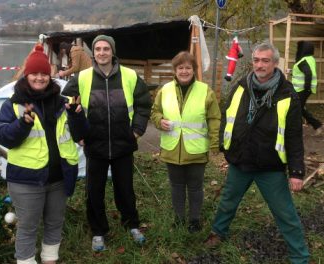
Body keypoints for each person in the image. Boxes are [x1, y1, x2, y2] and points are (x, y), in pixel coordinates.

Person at [205, 43, 310, 264]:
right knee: (228, 202)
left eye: (265, 60)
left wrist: (297, 171)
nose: (260, 65)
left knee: (285, 214)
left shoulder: (287, 94)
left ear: (275, 63)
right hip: (241, 160)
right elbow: (227, 115)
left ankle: (300, 256)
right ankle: (218, 233)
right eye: (256, 60)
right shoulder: (241, 86)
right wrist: (226, 147)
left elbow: (293, 136)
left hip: (269, 166)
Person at [0, 44, 86, 264]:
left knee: (55, 222)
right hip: (26, 180)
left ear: (50, 75)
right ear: (27, 76)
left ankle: (49, 259)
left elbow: (81, 136)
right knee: (28, 227)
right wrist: (23, 124)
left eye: (44, 74)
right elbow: (3, 136)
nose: (39, 78)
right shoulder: (13, 104)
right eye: (35, 73)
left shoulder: (63, 103)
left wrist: (78, 116)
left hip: (59, 178)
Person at [62, 35, 152, 251]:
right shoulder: (83, 77)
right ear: (94, 53)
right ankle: (98, 231)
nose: (102, 53)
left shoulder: (129, 76)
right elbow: (67, 103)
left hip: (123, 144)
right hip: (95, 145)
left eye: (106, 49)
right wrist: (78, 133)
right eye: (98, 49)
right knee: (94, 191)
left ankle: (132, 225)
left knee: (125, 189)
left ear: (112, 52)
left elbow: (143, 103)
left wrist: (137, 130)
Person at [151, 51, 221, 233]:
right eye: (180, 68)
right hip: (171, 149)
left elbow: (214, 118)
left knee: (195, 187)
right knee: (176, 186)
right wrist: (160, 121)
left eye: (188, 67)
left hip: (196, 150)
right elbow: (155, 112)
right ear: (175, 70)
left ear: (194, 70)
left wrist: (214, 143)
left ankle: (195, 220)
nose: (184, 71)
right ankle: (179, 219)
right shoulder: (164, 90)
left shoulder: (206, 91)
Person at [292, 41, 322, 136]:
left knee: (296, 109)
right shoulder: (310, 59)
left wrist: (307, 88)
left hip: (302, 89)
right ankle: (317, 125)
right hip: (304, 89)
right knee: (299, 108)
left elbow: (308, 73)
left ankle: (297, 131)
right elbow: (303, 73)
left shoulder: (303, 61)